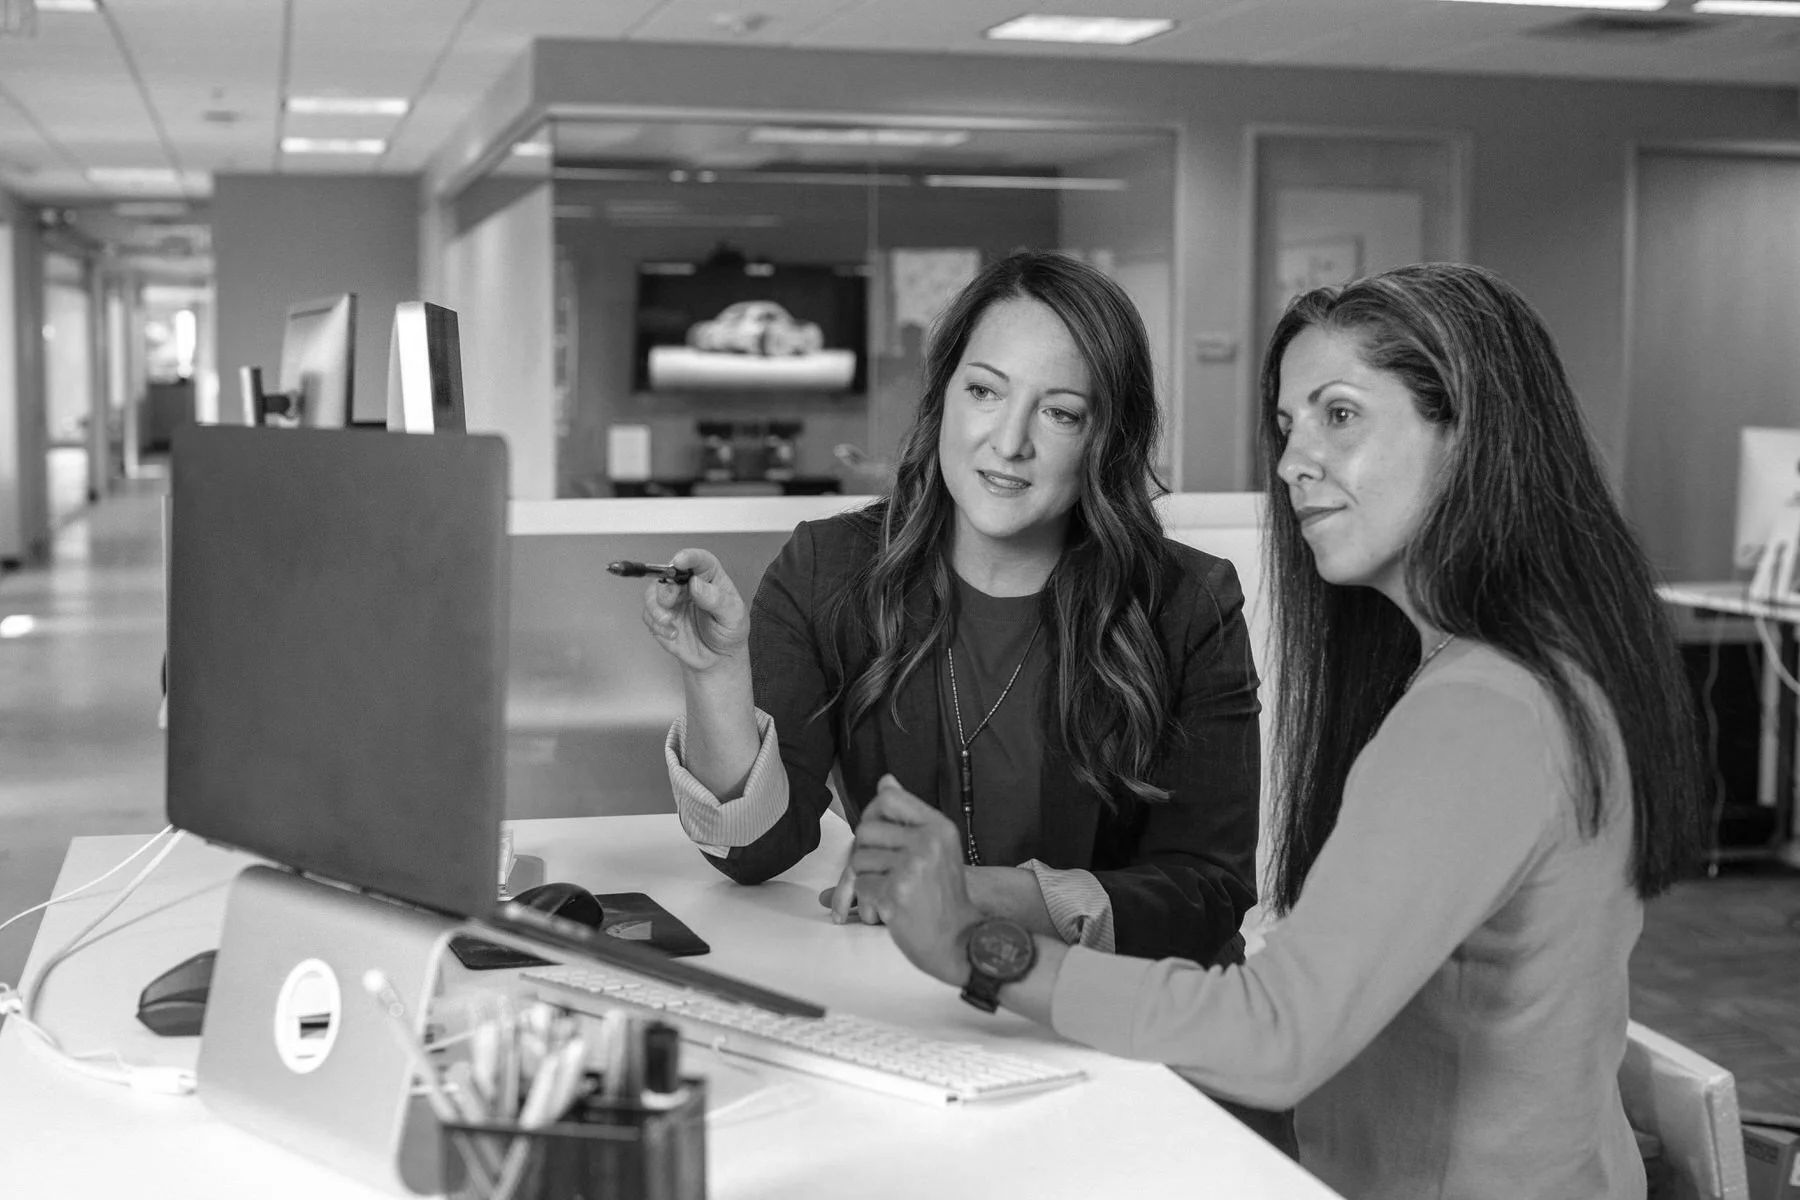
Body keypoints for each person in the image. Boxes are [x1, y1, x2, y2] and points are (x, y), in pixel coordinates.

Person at [847, 262, 1706, 1200]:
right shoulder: (1538, 669)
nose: (1295, 461)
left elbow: (1275, 1036)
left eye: (1341, 415)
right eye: (1290, 425)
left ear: (1471, 435)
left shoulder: (1481, 712)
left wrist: (975, 946)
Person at [639, 249, 1262, 968]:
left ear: (1106, 438)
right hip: (913, 994)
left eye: (1060, 412)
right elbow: (754, 851)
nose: (1010, 442)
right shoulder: (828, 569)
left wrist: (973, 893)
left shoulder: (1187, 603)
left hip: (1120, 1005)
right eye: (985, 392)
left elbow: (1207, 890)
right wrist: (717, 675)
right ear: (943, 398)